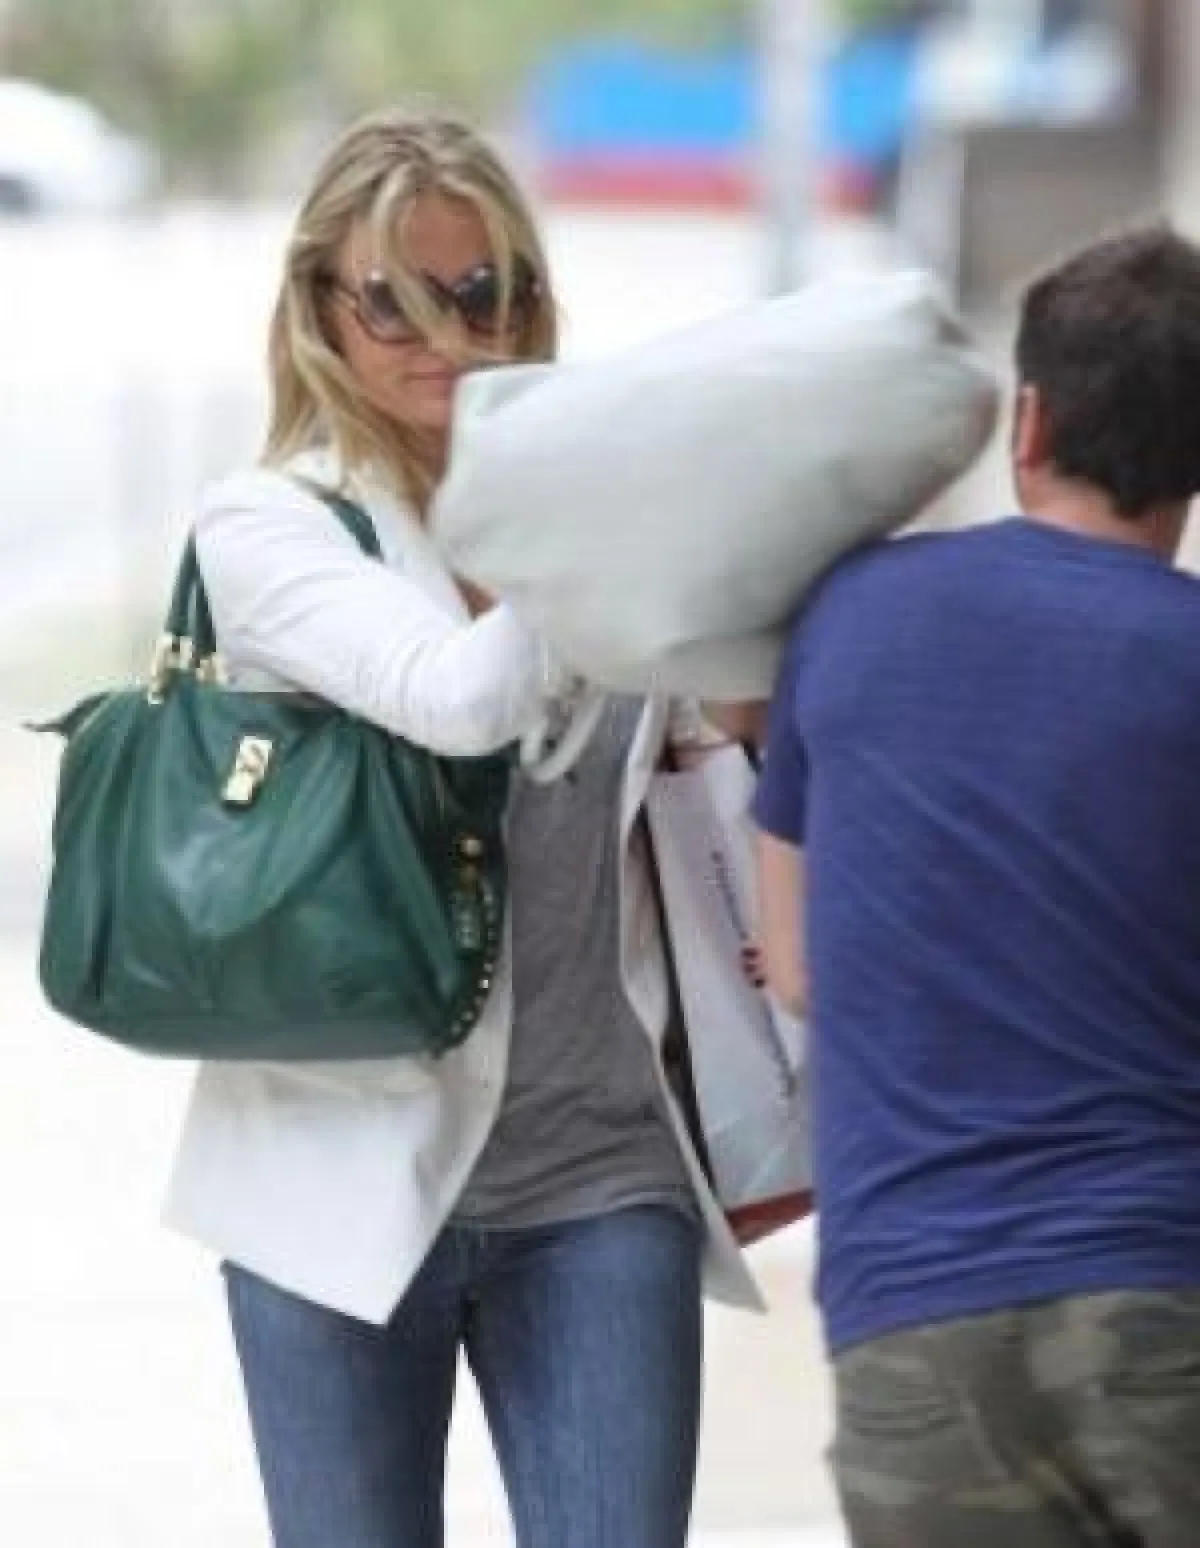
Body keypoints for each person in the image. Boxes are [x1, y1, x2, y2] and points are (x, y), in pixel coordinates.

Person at [162, 106, 761, 1548]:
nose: (445, 334)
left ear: (530, 299)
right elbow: (459, 699)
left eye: (482, 291)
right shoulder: (272, 527)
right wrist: (591, 502)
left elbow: (728, 738)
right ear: (322, 307)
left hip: (599, 1176)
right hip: (333, 1193)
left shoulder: (607, 523)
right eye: (396, 299)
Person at [753, 225, 1200, 1548]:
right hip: (1167, 1303)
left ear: (1029, 419)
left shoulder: (855, 612)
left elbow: (800, 969)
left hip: (916, 1324)